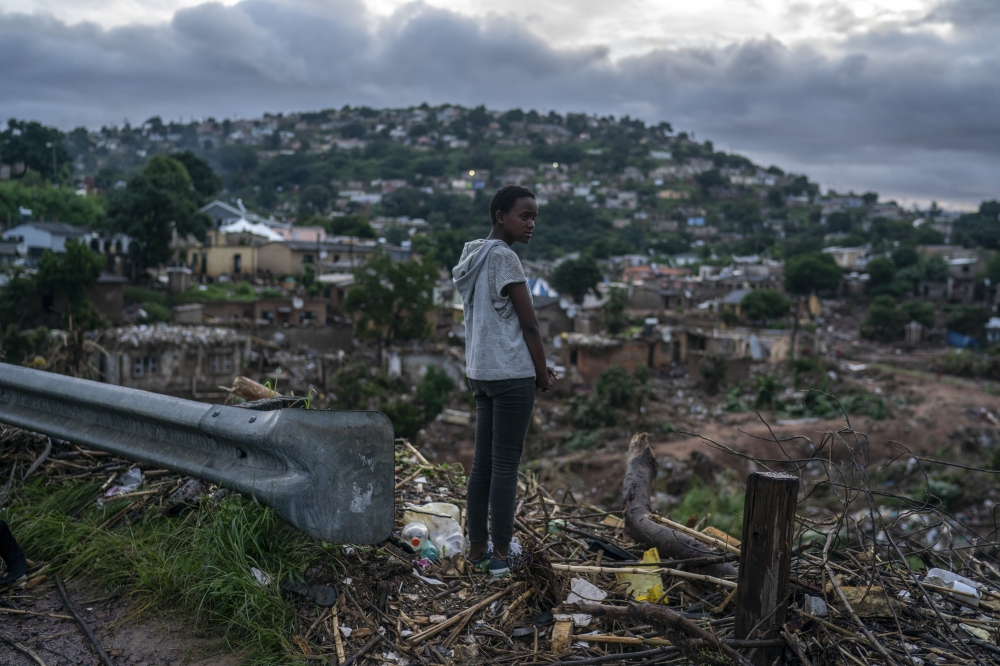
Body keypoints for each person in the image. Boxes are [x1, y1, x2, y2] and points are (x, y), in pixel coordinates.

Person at [452, 184, 557, 577]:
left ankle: (476, 548)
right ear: (501, 216)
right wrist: (543, 374)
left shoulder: (472, 255)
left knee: (483, 464)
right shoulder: (505, 258)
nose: (531, 224)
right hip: (512, 374)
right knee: (505, 465)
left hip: (481, 372)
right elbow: (529, 324)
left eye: (534, 218)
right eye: (524, 216)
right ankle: (500, 554)